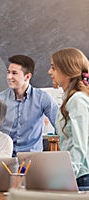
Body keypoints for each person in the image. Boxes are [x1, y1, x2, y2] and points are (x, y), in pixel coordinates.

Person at [0, 55, 58, 156]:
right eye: (8, 72)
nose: (9, 77)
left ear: (28, 76)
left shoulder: (42, 98)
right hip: (4, 158)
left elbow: (60, 124)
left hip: (32, 160)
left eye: (14, 73)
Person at [48, 47, 89, 188]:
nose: (49, 72)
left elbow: (79, 145)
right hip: (77, 175)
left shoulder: (78, 100)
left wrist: (66, 178)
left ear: (67, 72)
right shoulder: (70, 99)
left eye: (53, 68)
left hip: (82, 177)